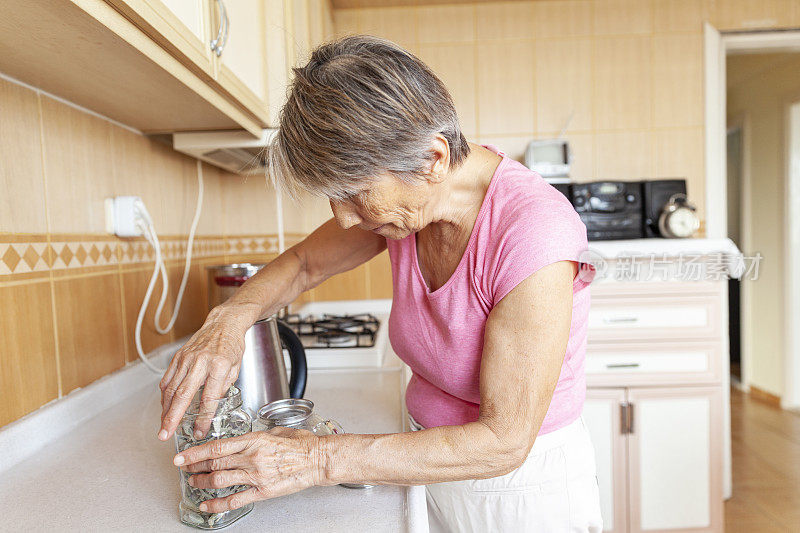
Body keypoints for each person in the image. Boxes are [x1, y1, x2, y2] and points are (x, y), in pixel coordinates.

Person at [160, 35, 602, 532]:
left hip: (517, 493)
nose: (345, 220)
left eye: (354, 193)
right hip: (422, 460)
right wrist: (229, 318)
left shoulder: (533, 231)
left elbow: (504, 441)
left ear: (433, 159)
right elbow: (305, 264)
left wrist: (320, 460)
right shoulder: (412, 206)